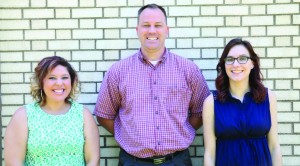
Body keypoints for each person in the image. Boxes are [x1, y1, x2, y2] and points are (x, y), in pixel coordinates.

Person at [94, 3, 210, 166]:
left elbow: (201, 112)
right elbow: (104, 115)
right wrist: (127, 135)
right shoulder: (118, 71)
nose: (152, 31)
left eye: (158, 25)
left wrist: (181, 132)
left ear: (166, 30)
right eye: (146, 25)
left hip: (177, 161)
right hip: (133, 162)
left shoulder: (188, 70)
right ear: (138, 30)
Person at [4, 56, 100, 165]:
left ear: (72, 81)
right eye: (52, 77)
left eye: (64, 77)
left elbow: (93, 160)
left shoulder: (83, 115)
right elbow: (13, 162)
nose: (59, 83)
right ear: (41, 82)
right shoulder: (23, 116)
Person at [203, 38, 282, 166]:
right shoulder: (211, 102)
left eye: (242, 58)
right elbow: (210, 154)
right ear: (224, 65)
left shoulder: (268, 97)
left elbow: (274, 147)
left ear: (252, 63)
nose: (236, 64)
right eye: (230, 59)